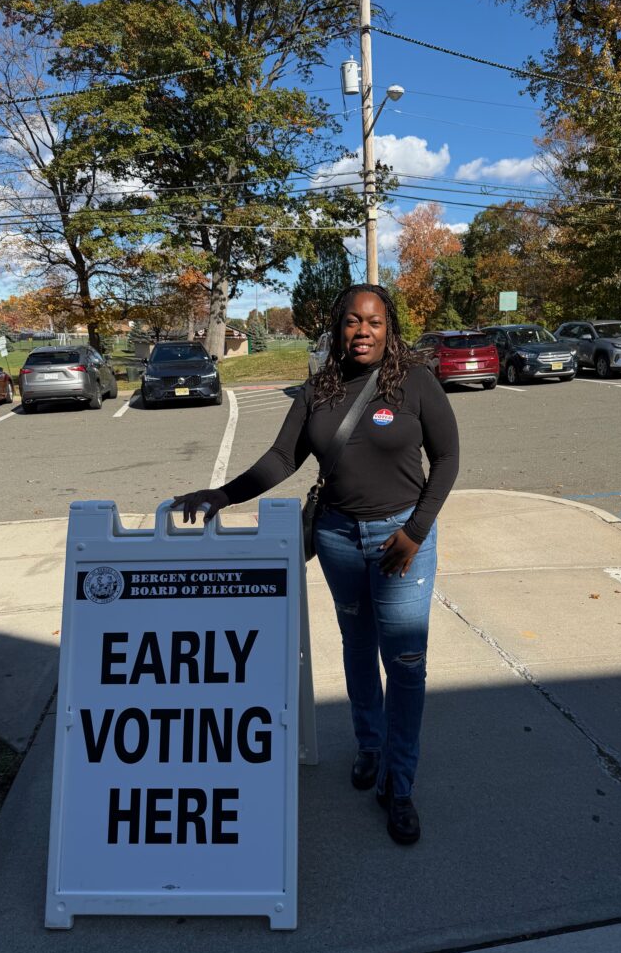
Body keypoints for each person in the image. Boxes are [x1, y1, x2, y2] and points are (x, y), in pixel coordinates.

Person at [172, 284, 459, 845]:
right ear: (337, 329)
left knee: (403, 661)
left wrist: (415, 531)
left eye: (374, 322)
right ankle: (370, 747)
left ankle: (400, 785)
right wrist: (221, 496)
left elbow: (447, 459)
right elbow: (283, 457)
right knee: (357, 646)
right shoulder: (317, 391)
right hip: (337, 538)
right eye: (352, 321)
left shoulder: (417, 383)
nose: (363, 331)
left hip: (402, 540)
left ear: (389, 328)